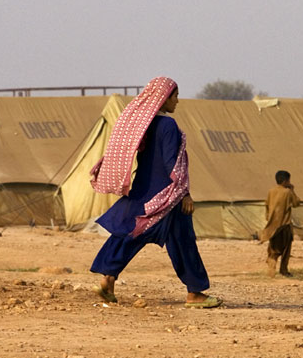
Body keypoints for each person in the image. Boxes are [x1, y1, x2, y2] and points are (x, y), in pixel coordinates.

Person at [88, 76, 221, 308]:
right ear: (163, 98)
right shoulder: (168, 125)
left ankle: (107, 279)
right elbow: (172, 164)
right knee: (184, 242)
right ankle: (195, 293)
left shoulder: (143, 126)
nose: (177, 101)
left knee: (129, 234)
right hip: (167, 198)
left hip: (143, 192)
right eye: (175, 96)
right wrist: (185, 193)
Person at [261, 170, 300, 278]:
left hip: (272, 226)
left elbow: (267, 206)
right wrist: (292, 190)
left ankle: (271, 269)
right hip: (284, 225)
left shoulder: (271, 191)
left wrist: (269, 219)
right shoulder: (287, 192)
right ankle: (284, 270)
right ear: (285, 181)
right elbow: (296, 203)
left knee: (273, 248)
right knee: (286, 249)